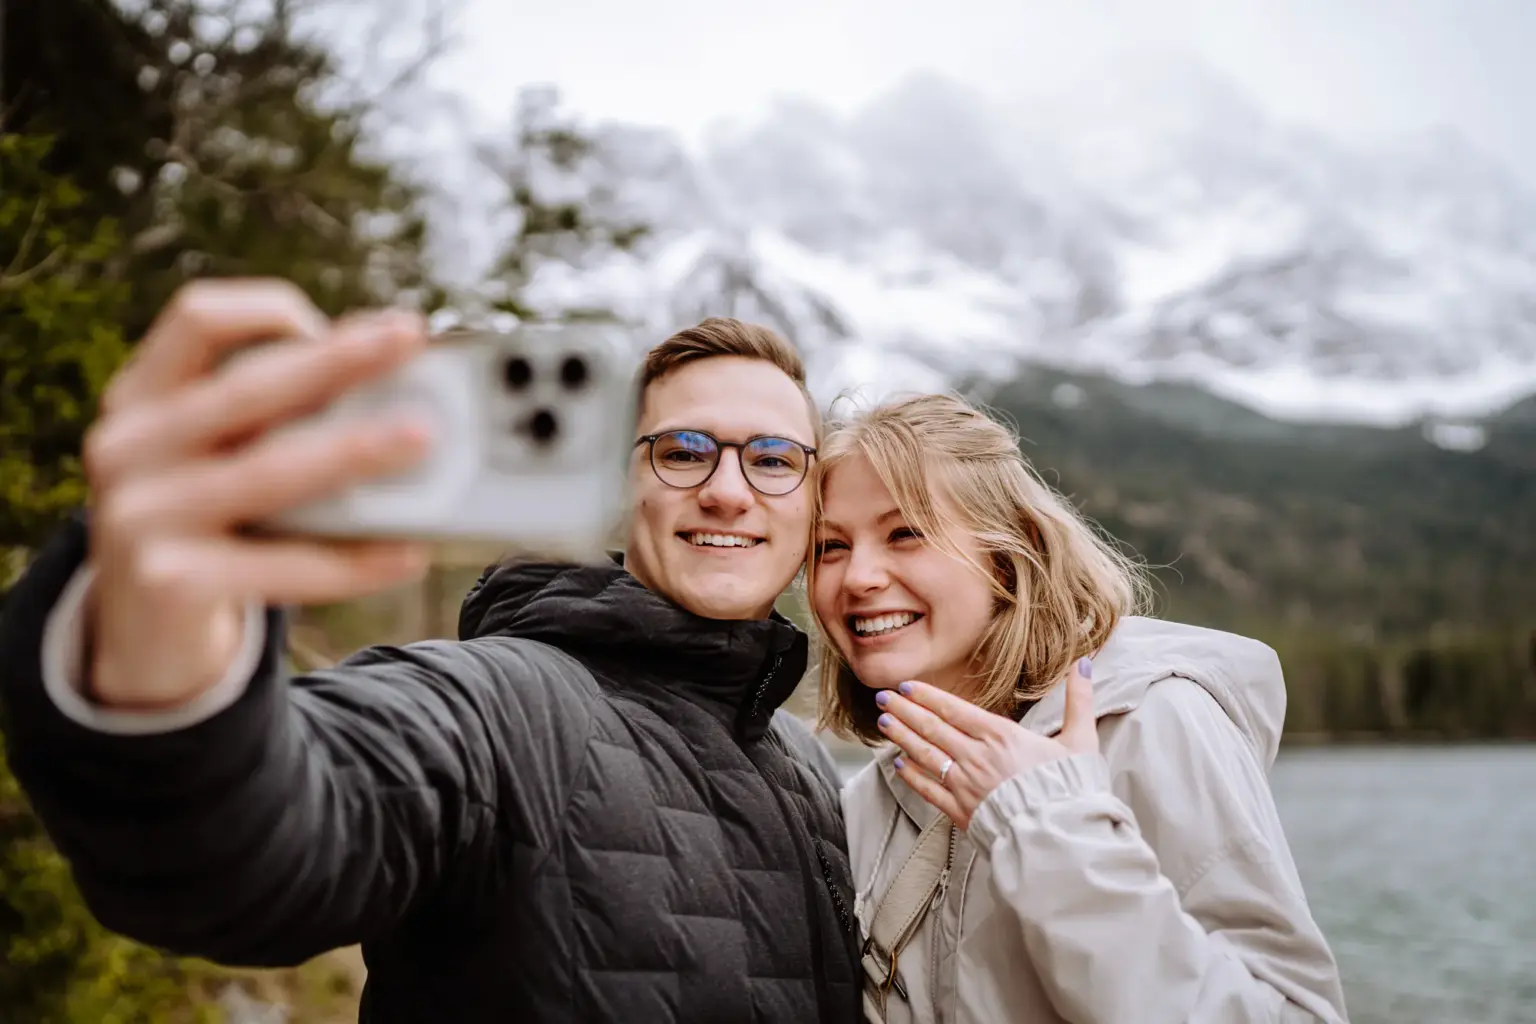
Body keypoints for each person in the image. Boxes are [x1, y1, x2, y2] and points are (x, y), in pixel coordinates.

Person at [0, 279, 861, 1023]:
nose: (725, 491)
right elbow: (242, 852)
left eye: (773, 460)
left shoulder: (808, 771)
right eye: (682, 451)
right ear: (622, 480)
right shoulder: (502, 707)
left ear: (810, 497)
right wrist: (163, 666)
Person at [808, 392, 1350, 1023]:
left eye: (906, 534)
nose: (859, 577)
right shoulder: (865, 803)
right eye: (830, 547)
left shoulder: (1153, 721)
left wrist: (1051, 827)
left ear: (1010, 556)